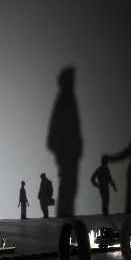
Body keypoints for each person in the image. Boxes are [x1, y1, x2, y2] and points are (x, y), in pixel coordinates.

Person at [47, 67, 82, 217]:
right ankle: (65, 221)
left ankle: (66, 220)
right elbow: (56, 131)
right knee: (68, 189)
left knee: (69, 189)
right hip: (68, 154)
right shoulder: (65, 99)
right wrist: (62, 151)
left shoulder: (67, 99)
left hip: (69, 154)